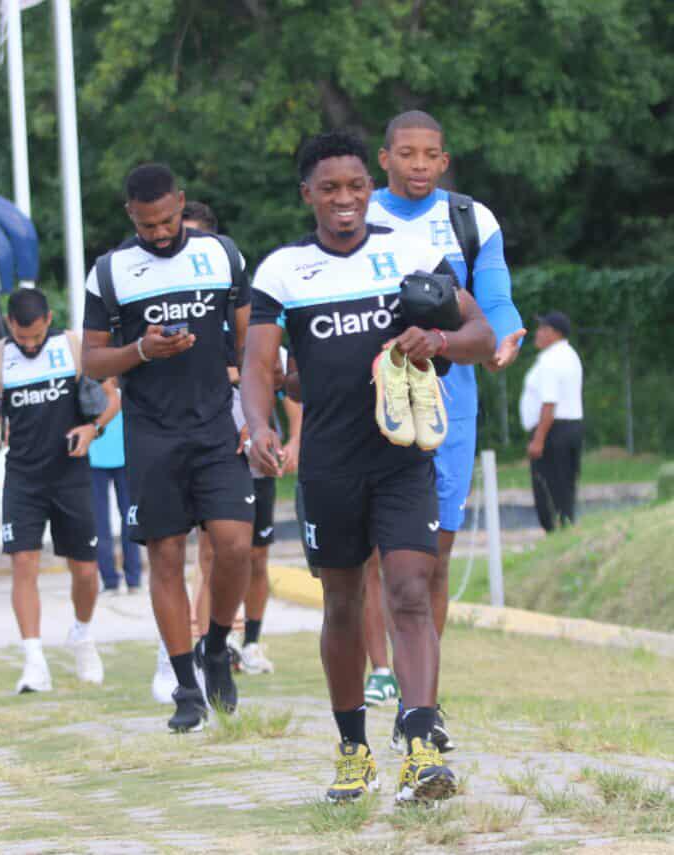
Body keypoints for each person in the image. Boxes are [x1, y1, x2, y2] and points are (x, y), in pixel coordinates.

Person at [242, 131, 494, 803]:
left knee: (411, 589)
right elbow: (258, 366)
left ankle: (419, 743)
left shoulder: (409, 252)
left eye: (356, 186)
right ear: (308, 196)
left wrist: (437, 336)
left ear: (369, 188)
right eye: (330, 189)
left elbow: (480, 336)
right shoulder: (283, 272)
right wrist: (258, 425)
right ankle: (353, 747)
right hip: (328, 465)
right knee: (344, 602)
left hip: (404, 454)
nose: (346, 200)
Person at [362, 111, 525, 748]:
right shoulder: (356, 212)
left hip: (449, 402)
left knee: (435, 558)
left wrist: (503, 335)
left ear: (445, 159)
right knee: (388, 556)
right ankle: (390, 682)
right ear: (385, 158)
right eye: (407, 153)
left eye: (431, 154)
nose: (420, 165)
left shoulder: (470, 218)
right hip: (373, 401)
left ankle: (420, 702)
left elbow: (496, 296)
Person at [82, 164, 255, 733]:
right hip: (152, 432)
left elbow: (252, 340)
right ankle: (185, 685)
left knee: (234, 547)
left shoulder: (223, 255)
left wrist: (259, 416)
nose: (159, 233)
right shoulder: (109, 273)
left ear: (182, 204)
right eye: (147, 224)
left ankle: (216, 646)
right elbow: (92, 360)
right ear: (130, 215)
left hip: (215, 424)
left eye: (168, 220)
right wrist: (142, 350)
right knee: (166, 557)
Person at [0, 288, 117, 693]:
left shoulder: (73, 348)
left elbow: (112, 398)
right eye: (22, 338)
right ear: (9, 325)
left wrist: (93, 429)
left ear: (48, 319)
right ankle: (34, 660)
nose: (30, 345)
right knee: (23, 564)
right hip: (22, 477)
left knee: (86, 570)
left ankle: (83, 634)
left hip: (71, 476)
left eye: (36, 337)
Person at [181, 200, 302, 678]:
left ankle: (249, 641)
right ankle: (210, 641)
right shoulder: (179, 317)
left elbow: (281, 374)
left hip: (256, 454)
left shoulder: (245, 309)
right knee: (210, 551)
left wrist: (294, 439)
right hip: (208, 450)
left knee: (255, 553)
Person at [520, 311, 584, 531]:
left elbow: (549, 403)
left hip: (552, 430)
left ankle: (555, 530)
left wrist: (538, 440)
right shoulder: (570, 355)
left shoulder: (549, 360)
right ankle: (566, 524)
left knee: (548, 485)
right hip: (571, 427)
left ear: (554, 333)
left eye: (542, 329)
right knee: (565, 483)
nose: (537, 334)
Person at [88, 378, 140, 594]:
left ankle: (131, 578)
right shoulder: (89, 379)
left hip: (122, 455)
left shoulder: (111, 378)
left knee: (128, 519)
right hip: (96, 456)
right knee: (104, 522)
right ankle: (114, 579)